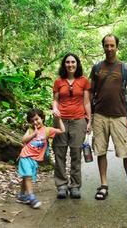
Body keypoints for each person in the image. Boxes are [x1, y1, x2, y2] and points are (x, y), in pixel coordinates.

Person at [90, 34, 127, 201]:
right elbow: (91, 92)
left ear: (117, 47)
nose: (109, 48)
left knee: (126, 152)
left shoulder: (126, 68)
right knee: (101, 150)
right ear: (103, 47)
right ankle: (104, 185)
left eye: (112, 45)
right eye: (106, 45)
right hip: (100, 115)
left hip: (120, 115)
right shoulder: (97, 68)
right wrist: (89, 115)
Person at [52, 53, 91, 199]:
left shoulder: (84, 81)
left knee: (76, 154)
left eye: (73, 62)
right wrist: (55, 108)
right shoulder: (58, 82)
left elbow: (86, 102)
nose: (70, 65)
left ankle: (75, 186)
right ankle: (61, 185)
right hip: (60, 121)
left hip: (78, 120)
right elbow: (55, 100)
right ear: (64, 65)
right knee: (59, 153)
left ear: (77, 64)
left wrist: (89, 121)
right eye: (67, 62)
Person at [17, 108, 65, 208]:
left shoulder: (47, 130)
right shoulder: (30, 129)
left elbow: (62, 131)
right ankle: (31, 198)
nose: (35, 122)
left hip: (34, 159)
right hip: (25, 156)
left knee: (26, 177)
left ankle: (21, 195)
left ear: (42, 118)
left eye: (37, 119)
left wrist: (59, 119)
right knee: (28, 176)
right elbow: (23, 140)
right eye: (32, 121)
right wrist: (33, 134)